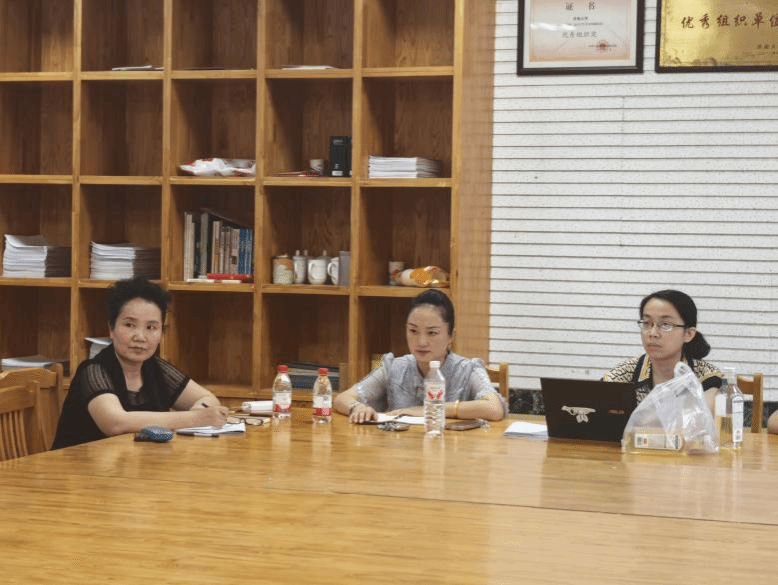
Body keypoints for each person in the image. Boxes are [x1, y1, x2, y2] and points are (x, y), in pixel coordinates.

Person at [52, 277, 229, 449]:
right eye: (129, 325)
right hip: (78, 466)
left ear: (161, 333)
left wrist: (200, 412)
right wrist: (195, 419)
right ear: (111, 329)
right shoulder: (93, 371)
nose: (140, 337)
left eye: (151, 327)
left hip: (135, 464)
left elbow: (207, 399)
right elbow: (115, 423)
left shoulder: (156, 368)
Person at [333, 289, 507, 423]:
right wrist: (357, 407)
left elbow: (494, 408)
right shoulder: (394, 367)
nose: (421, 342)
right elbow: (342, 398)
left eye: (432, 333)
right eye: (413, 331)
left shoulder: (467, 370)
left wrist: (428, 410)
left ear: (451, 335)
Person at [602, 289, 722, 408]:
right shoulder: (623, 376)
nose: (653, 333)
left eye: (665, 325)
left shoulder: (706, 377)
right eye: (647, 323)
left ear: (688, 334)